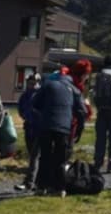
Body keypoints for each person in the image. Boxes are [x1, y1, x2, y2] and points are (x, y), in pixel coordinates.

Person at [31, 68, 87, 197]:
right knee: (61, 158)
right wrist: (79, 130)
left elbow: (35, 103)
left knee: (45, 156)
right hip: (64, 128)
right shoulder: (74, 90)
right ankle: (59, 188)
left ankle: (41, 186)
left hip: (46, 125)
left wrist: (44, 112)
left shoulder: (48, 85)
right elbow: (82, 112)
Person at [14, 72, 42, 191]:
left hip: (39, 128)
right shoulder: (25, 95)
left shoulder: (42, 94)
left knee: (35, 156)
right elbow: (20, 109)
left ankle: (30, 182)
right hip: (29, 127)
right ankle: (37, 181)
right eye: (30, 82)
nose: (32, 84)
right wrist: (26, 116)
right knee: (32, 155)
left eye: (34, 82)